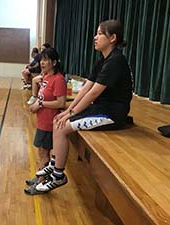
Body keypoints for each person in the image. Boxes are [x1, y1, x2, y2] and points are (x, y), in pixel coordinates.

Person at [33, 20, 133, 193]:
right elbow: (86, 87)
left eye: (100, 33)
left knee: (63, 126)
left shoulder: (116, 61)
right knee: (59, 120)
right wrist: (67, 112)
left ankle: (58, 175)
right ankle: (54, 163)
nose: (95, 37)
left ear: (113, 38)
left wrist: (70, 112)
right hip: (100, 108)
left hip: (112, 114)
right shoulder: (102, 61)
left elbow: (93, 93)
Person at [24, 47, 67, 194]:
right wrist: (35, 84)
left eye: (46, 60)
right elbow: (38, 98)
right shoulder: (46, 77)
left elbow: (61, 103)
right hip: (42, 120)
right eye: (41, 59)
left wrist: (41, 104)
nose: (42, 62)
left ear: (54, 62)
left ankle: (40, 184)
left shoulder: (58, 79)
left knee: (43, 153)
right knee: (42, 152)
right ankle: (40, 177)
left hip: (50, 123)